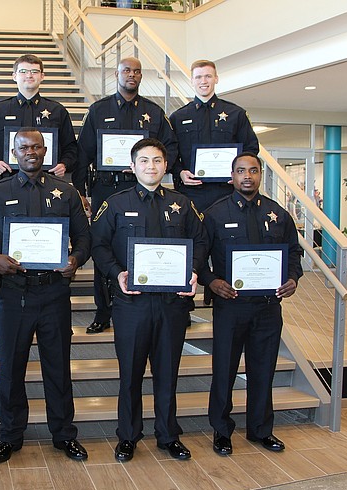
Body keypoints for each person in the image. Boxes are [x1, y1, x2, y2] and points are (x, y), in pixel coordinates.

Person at [0, 128, 91, 464]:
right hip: (13, 294)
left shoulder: (66, 192)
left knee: (58, 368)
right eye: (24, 147)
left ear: (45, 149)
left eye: (37, 146)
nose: (31, 152)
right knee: (11, 369)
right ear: (14, 151)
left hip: (53, 293)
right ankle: (10, 436)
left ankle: (64, 434)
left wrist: (76, 260)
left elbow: (85, 238)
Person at [91, 138, 208, 462]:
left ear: (166, 165)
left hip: (172, 304)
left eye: (157, 161)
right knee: (130, 374)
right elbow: (99, 246)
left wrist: (195, 271)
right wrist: (118, 274)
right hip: (132, 305)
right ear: (132, 166)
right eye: (144, 161)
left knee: (167, 373)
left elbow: (200, 242)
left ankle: (168, 435)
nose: (151, 166)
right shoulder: (114, 204)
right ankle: (128, 436)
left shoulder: (183, 204)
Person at [199, 152, 302, 456]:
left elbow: (294, 254)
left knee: (263, 370)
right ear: (231, 177)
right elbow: (198, 257)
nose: (247, 176)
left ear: (260, 175)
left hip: (269, 307)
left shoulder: (278, 214)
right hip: (231, 306)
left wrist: (293, 278)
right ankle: (221, 430)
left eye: (253, 171)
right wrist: (211, 281)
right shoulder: (215, 214)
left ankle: (260, 430)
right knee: (224, 370)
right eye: (241, 171)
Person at [74, 56, 178, 334]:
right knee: (104, 247)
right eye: (126, 70)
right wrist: (81, 191)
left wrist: (156, 170)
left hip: (146, 188)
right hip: (107, 188)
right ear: (116, 75)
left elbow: (170, 147)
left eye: (136, 71)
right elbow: (83, 153)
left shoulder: (154, 112)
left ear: (141, 76)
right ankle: (102, 311)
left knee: (150, 241)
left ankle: (160, 299)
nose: (131, 75)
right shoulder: (98, 110)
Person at [0, 53, 78, 337]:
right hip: (8, 188)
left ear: (42, 76)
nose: (29, 76)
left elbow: (72, 148)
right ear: (14, 76)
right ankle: (3, 313)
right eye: (23, 72)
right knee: (5, 245)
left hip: (49, 187)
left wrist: (65, 164)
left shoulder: (57, 111)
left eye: (35, 71)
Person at [169, 59, 259, 212]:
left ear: (216, 78)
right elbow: (169, 151)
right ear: (192, 81)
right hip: (191, 192)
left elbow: (251, 148)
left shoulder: (235, 114)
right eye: (198, 77)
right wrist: (180, 172)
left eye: (208, 76)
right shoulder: (178, 117)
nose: (203, 81)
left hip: (227, 191)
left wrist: (240, 173)